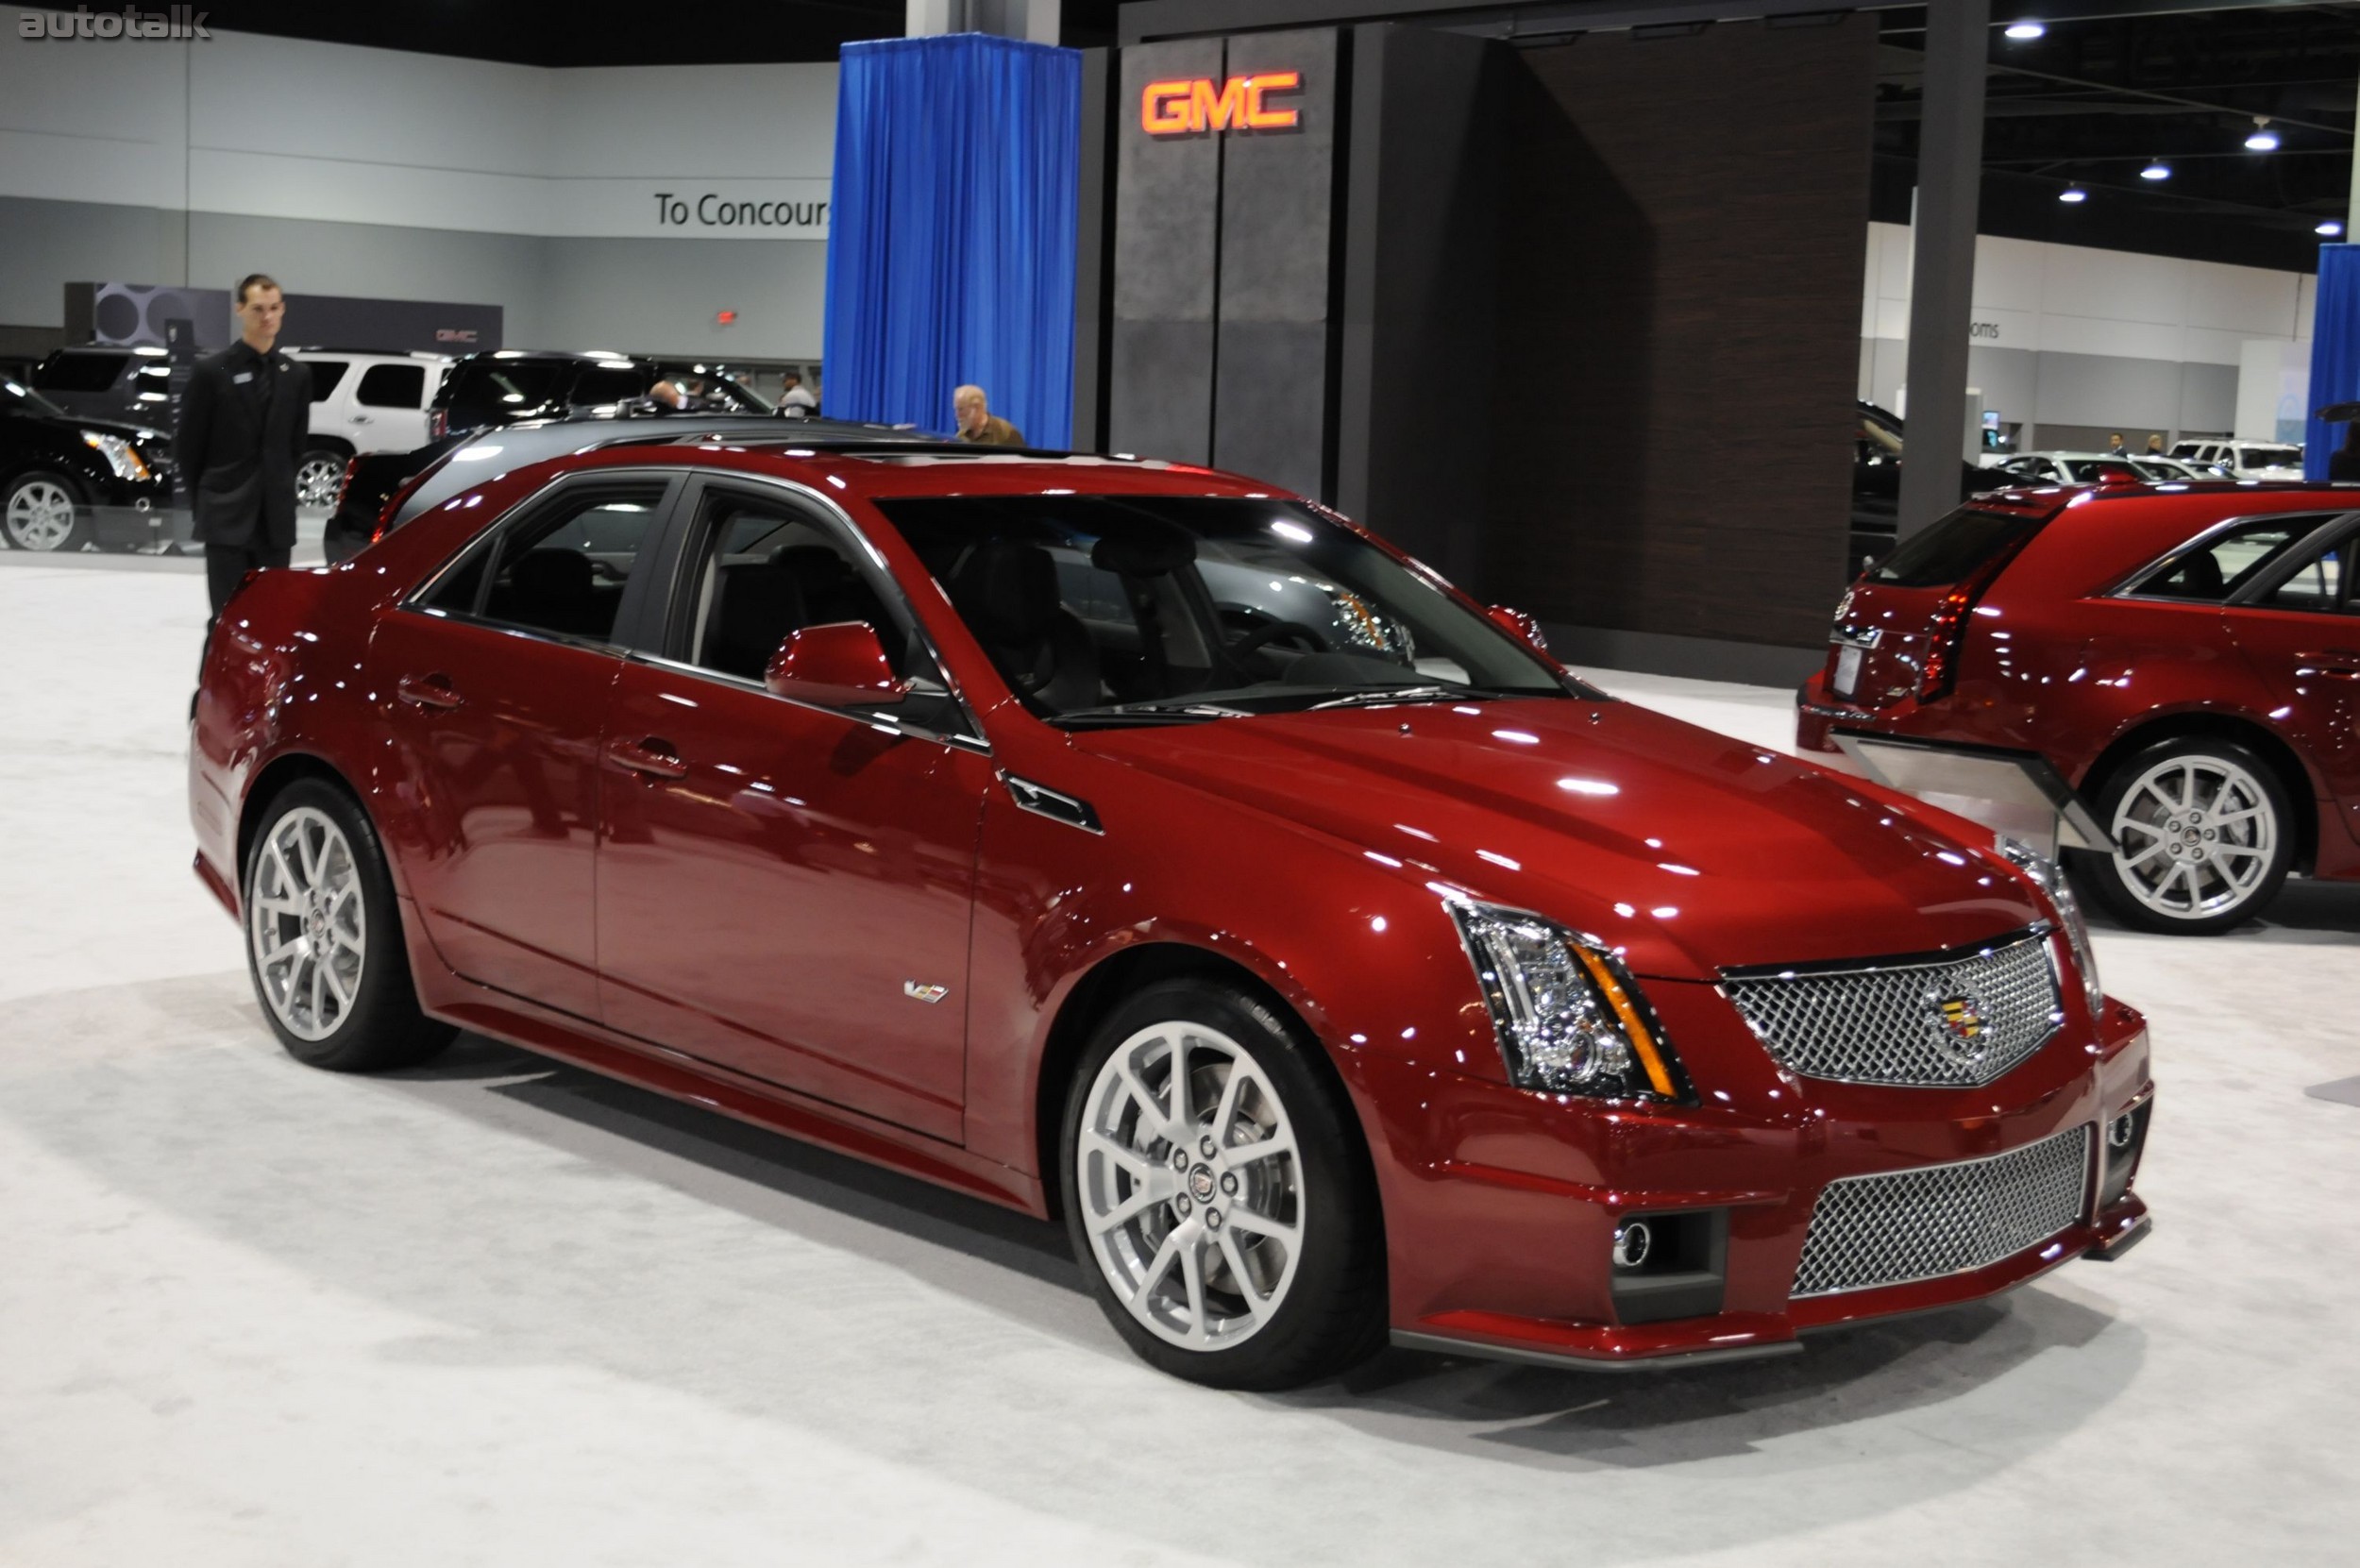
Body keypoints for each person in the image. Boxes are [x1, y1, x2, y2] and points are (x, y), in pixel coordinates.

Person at [176, 274, 312, 620]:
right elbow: (189, 448)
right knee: (226, 620)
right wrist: (205, 504)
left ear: (283, 310)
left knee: (270, 621)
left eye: (274, 308)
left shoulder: (296, 374)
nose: (267, 317)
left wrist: (278, 489)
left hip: (275, 522)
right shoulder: (213, 370)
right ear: (239, 310)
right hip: (225, 516)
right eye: (258, 309)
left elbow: (295, 447)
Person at [953, 384, 1024, 447]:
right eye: (956, 409)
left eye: (960, 409)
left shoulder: (1006, 433)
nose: (957, 415)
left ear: (976, 407)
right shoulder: (961, 436)